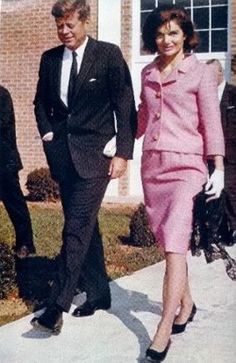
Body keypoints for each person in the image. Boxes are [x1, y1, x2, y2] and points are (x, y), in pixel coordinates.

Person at [31, 0, 136, 334]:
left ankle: (57, 304)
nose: (64, 32)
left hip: (96, 158)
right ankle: (99, 293)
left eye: (70, 25)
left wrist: (122, 152)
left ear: (85, 22)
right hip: (63, 156)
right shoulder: (50, 59)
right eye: (59, 26)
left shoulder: (107, 54)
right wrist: (48, 134)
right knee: (83, 224)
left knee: (75, 227)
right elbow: (40, 103)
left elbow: (125, 104)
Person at [137, 5, 225, 361]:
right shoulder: (146, 72)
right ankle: (186, 303)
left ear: (185, 35)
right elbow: (142, 117)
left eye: (173, 33)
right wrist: (120, 145)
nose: (166, 40)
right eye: (159, 34)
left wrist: (217, 167)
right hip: (153, 167)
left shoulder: (200, 73)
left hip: (187, 167)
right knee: (167, 241)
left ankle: (163, 329)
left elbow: (211, 122)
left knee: (175, 242)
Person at [0, 85, 35, 259]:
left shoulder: (2, 95)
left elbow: (2, 124)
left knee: (15, 206)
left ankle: (25, 243)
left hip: (4, 162)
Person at [206, 59, 236, 246]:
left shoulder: (234, 94)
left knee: (231, 192)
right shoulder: (204, 97)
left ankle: (233, 230)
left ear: (220, 73)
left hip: (232, 156)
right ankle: (215, 232)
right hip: (211, 156)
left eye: (210, 74)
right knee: (213, 194)